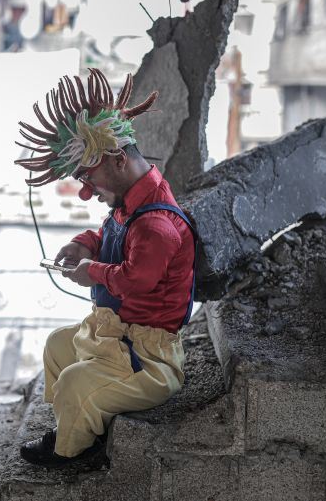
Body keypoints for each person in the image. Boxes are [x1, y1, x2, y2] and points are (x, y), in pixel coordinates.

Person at [14, 68, 196, 467]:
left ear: (115, 159)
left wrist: (92, 272)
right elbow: (110, 234)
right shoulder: (129, 203)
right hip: (115, 335)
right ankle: (77, 419)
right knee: (58, 347)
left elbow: (136, 279)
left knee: (75, 382)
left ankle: (74, 450)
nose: (85, 189)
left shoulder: (156, 224)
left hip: (147, 356)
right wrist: (83, 244)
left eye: (87, 176)